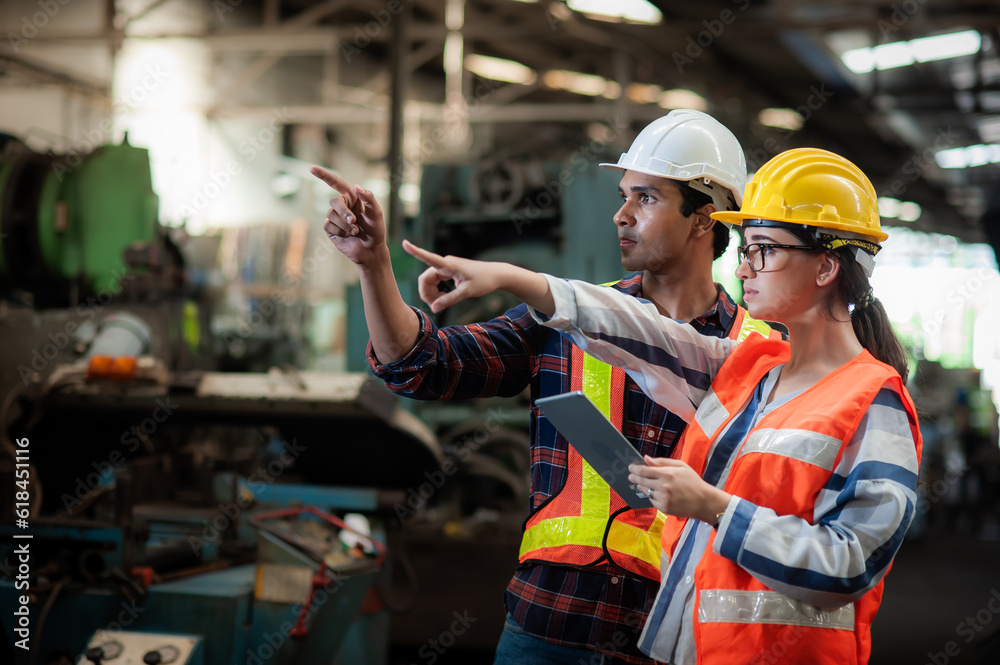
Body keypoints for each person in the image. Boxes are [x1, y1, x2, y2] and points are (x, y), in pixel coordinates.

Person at [399, 147, 922, 665]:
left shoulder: (874, 401)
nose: (744, 270)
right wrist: (514, 279)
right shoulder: (751, 368)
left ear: (827, 266)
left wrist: (711, 505)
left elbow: (852, 563)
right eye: (745, 250)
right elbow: (641, 329)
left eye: (763, 249)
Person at [311, 110, 779, 664]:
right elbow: (421, 364)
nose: (620, 215)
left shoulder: (761, 353)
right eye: (624, 195)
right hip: (551, 619)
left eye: (646, 199)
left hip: (677, 630)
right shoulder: (567, 316)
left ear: (705, 219)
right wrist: (372, 264)